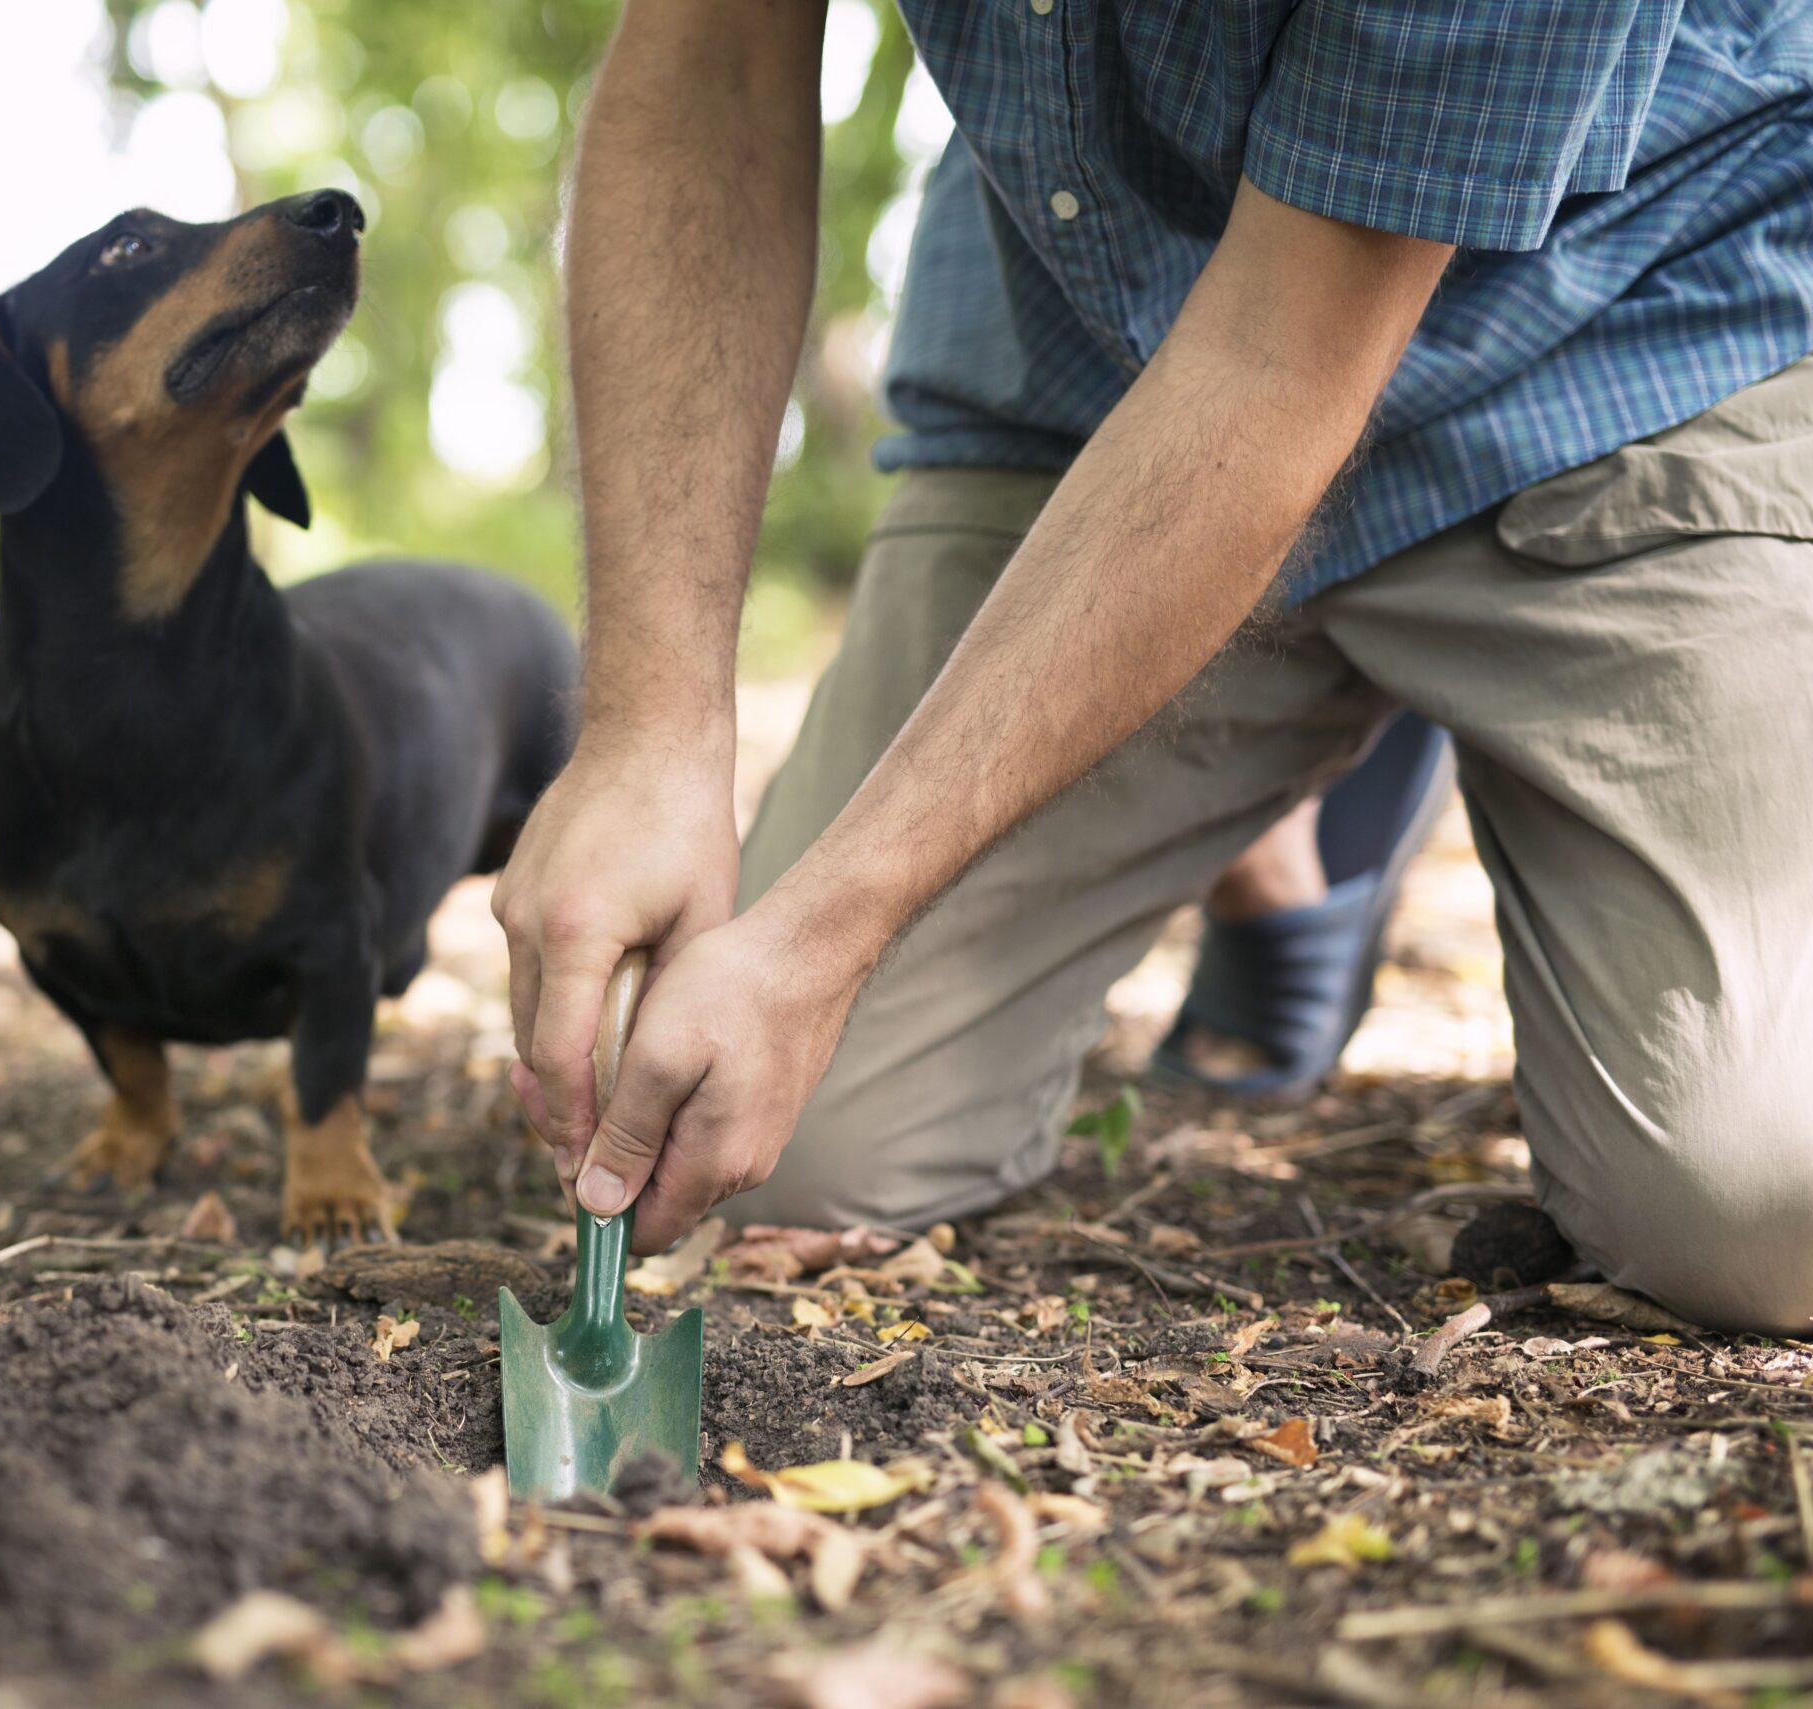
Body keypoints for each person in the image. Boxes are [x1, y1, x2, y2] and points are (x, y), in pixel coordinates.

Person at [493, 0, 1813, 1334]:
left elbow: (1278, 358)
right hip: (1086, 363)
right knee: (777, 1135)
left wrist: (822, 931)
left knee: (1763, 1209)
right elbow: (708, 63)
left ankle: (1378, 744)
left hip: (1618, 350)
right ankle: (1278, 838)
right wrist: (648, 728)